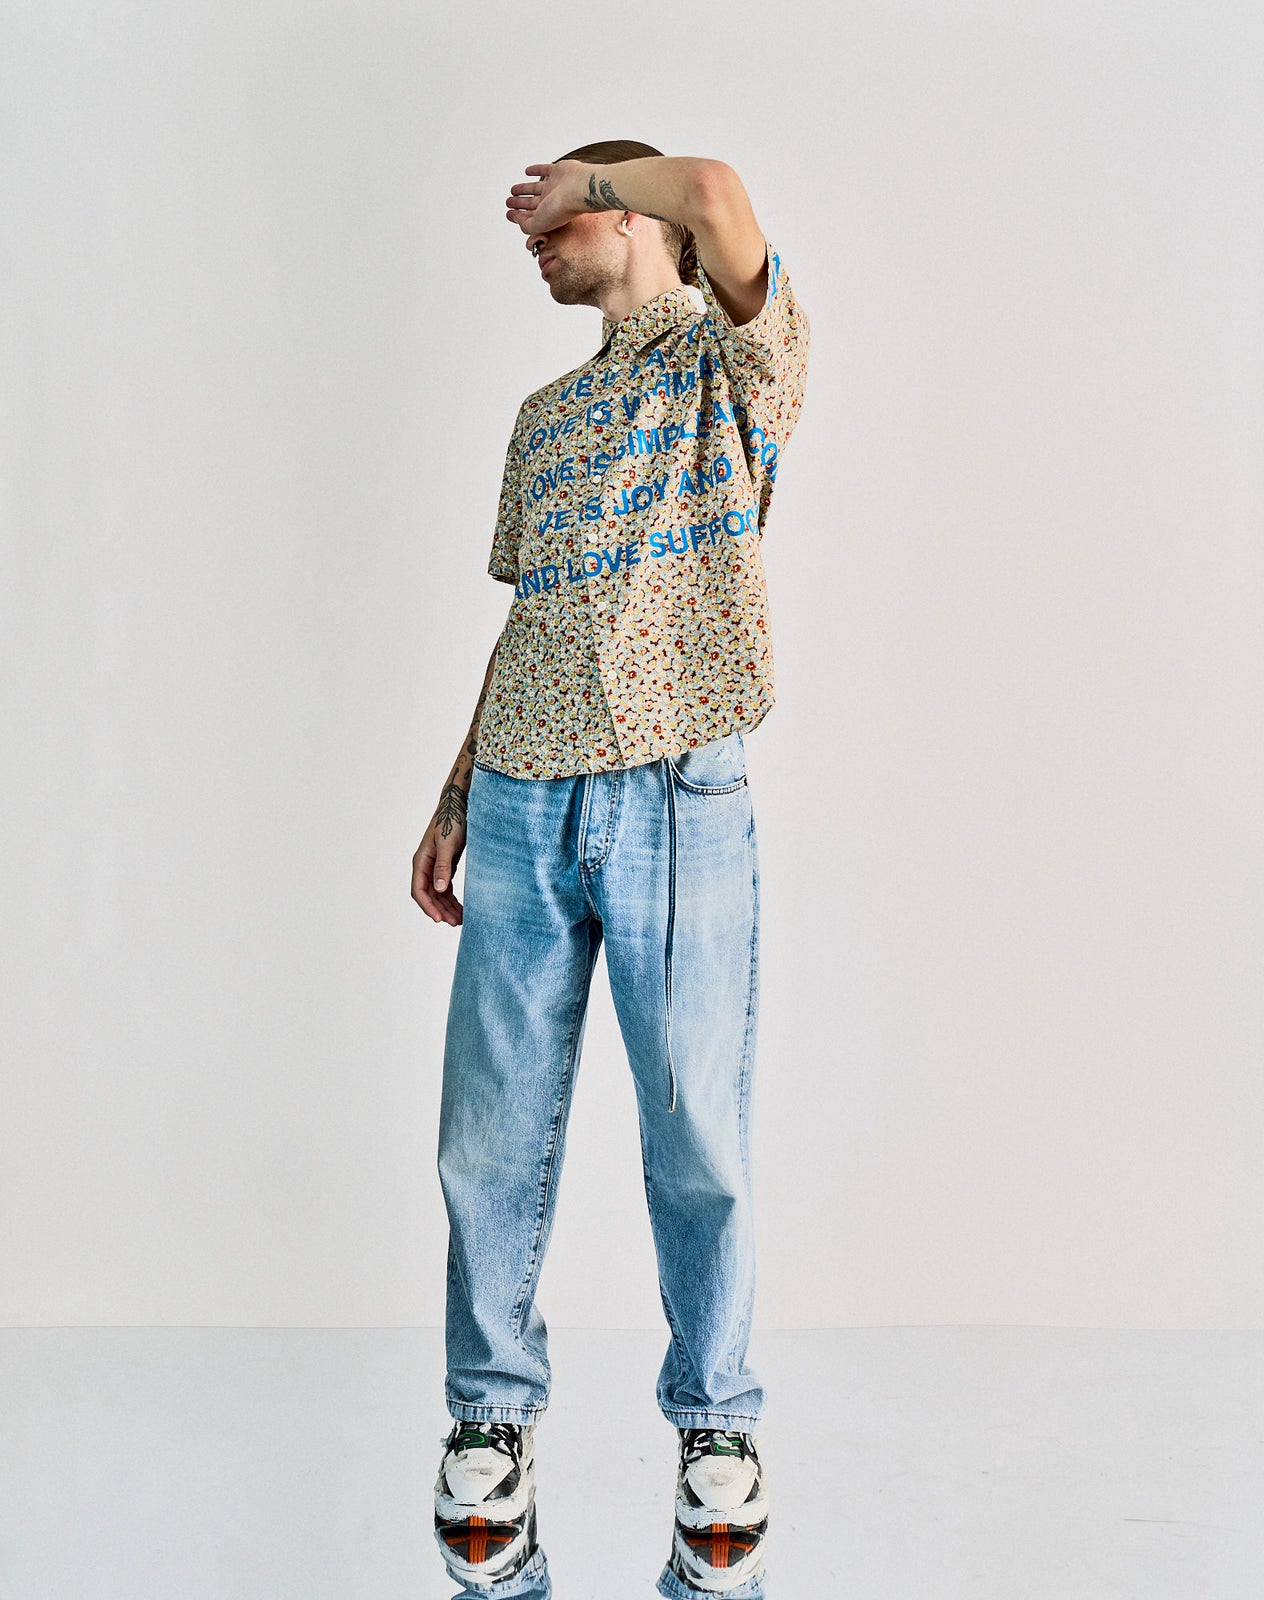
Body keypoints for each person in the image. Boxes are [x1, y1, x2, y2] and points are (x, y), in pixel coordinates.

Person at [411, 139, 810, 1600]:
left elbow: (713, 191)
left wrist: (598, 171)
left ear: (626, 214)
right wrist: (458, 789)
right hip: (523, 799)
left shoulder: (736, 367)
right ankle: (490, 1425)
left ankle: (718, 1429)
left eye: (564, 216)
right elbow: (537, 616)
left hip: (676, 789)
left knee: (695, 1125)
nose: (535, 236)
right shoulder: (542, 418)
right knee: (491, 1132)